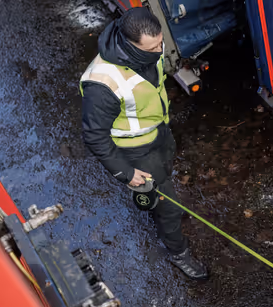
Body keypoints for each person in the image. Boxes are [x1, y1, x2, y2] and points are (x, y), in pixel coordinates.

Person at [79, 8, 207, 280]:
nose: (160, 50)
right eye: (153, 47)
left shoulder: (148, 52)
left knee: (164, 177)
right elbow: (94, 136)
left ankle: (154, 203)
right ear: (129, 44)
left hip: (159, 134)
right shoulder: (101, 83)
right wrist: (126, 173)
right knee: (169, 207)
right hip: (136, 152)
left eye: (160, 43)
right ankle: (178, 252)